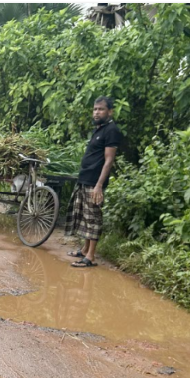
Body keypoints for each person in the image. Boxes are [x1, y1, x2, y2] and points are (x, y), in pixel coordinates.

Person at [64, 96, 123, 267]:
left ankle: (90, 257)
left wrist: (98, 186)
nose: (97, 112)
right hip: (85, 179)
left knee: (94, 218)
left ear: (110, 112)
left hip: (94, 183)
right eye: (95, 109)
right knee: (85, 217)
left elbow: (109, 160)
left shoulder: (111, 130)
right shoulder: (99, 129)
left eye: (101, 109)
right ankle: (84, 250)